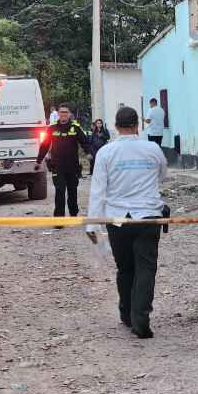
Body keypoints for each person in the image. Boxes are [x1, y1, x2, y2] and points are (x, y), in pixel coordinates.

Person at [86, 106, 167, 339]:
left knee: (124, 267)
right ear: (138, 125)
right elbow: (161, 175)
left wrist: (92, 225)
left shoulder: (106, 153)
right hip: (148, 217)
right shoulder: (153, 148)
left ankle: (126, 314)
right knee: (146, 268)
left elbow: (98, 191)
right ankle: (141, 320)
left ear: (115, 125)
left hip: (117, 219)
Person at [35, 103, 94, 220]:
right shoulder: (51, 128)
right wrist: (38, 161)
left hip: (72, 165)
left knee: (72, 190)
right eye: (61, 112)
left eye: (66, 112)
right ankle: (59, 217)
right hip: (57, 165)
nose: (63, 114)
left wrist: (89, 152)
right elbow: (45, 145)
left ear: (69, 114)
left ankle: (73, 215)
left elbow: (85, 142)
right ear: (57, 114)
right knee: (60, 190)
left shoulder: (76, 127)